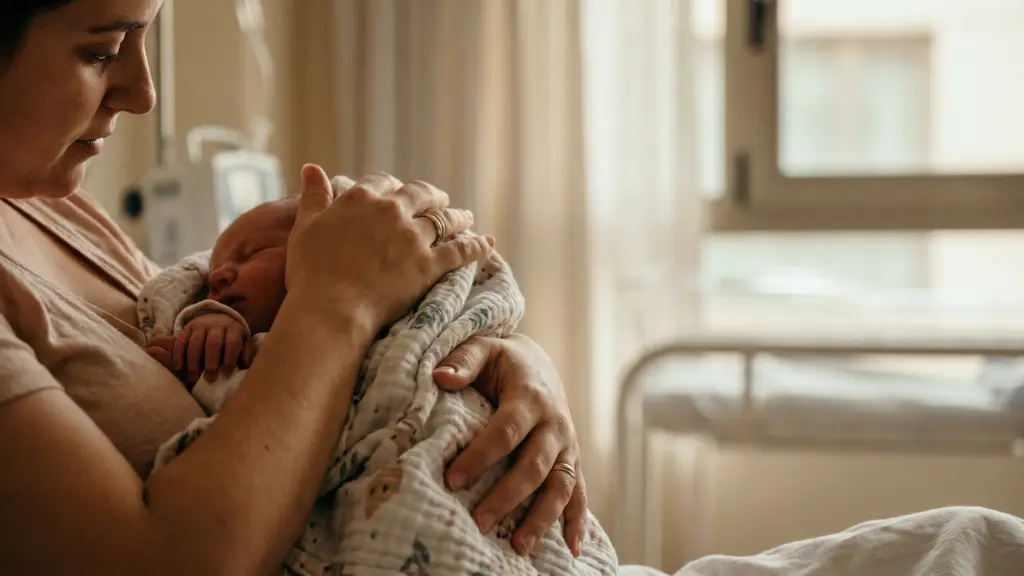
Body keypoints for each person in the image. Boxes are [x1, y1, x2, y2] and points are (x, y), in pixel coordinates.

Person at [0, 1, 587, 574]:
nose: (144, 93)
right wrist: (342, 299)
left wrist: (497, 360)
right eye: (102, 51)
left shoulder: (56, 206)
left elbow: (264, 349)